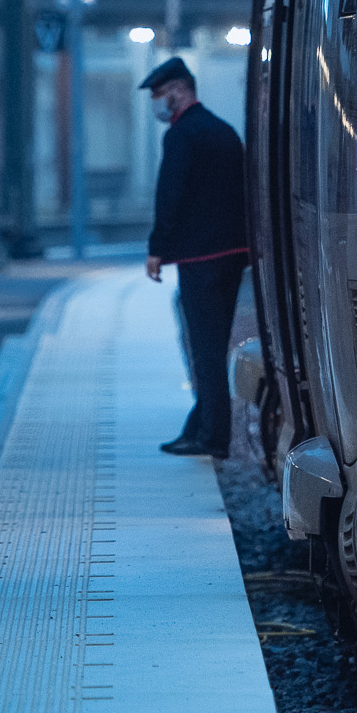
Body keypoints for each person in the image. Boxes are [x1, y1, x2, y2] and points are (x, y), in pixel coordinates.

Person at [141, 55, 250, 457]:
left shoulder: (182, 135)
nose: (156, 102)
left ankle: (212, 436)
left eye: (159, 94)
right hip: (233, 255)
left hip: (200, 259)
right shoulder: (223, 131)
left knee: (204, 348)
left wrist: (157, 249)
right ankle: (201, 424)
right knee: (214, 344)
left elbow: (169, 195)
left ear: (179, 90)